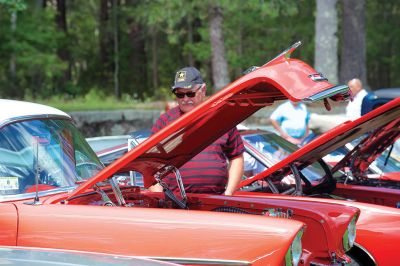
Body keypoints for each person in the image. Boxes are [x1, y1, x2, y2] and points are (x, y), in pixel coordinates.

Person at [150, 66, 244, 195]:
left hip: (215, 202)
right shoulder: (164, 122)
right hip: (174, 204)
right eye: (180, 94)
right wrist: (159, 197)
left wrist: (228, 195)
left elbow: (236, 157)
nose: (185, 99)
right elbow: (150, 164)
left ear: (203, 90)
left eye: (190, 93)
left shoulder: (222, 119)